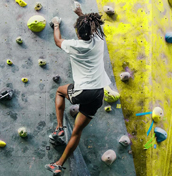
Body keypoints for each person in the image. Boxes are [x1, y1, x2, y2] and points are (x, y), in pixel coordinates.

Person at [45, 2, 112, 175]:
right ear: (91, 30)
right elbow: (94, 26)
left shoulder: (75, 45)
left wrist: (56, 24)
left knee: (60, 91)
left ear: (77, 33)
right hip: (98, 93)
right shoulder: (98, 41)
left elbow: (58, 40)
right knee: (77, 131)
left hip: (83, 91)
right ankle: (58, 165)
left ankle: (60, 128)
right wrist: (80, 13)